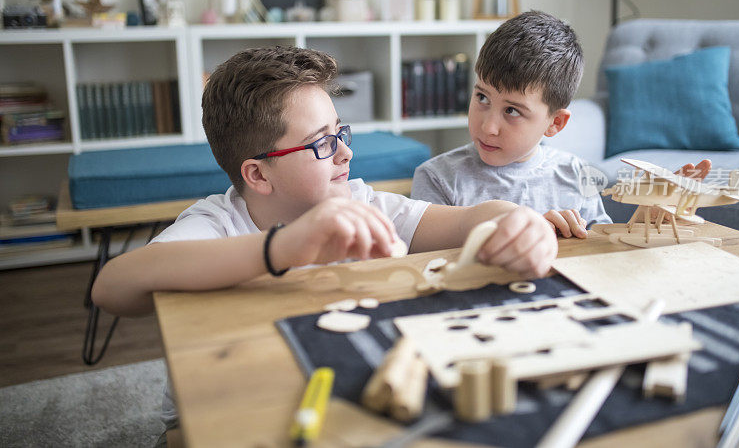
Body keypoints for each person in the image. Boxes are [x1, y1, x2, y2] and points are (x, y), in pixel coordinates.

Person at [91, 46, 558, 438]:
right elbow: (111, 287)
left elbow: (468, 221)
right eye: (321, 144)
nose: (345, 153)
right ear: (257, 174)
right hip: (219, 420)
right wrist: (284, 246)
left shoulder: (364, 203)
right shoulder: (217, 223)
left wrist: (519, 221)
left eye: (340, 132)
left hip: (324, 398)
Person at [411, 11, 711, 238]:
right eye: (482, 97)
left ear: (555, 123)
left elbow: (603, 254)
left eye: (512, 111)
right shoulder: (437, 179)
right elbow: (425, 264)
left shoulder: (578, 176)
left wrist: (652, 218)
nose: (488, 126)